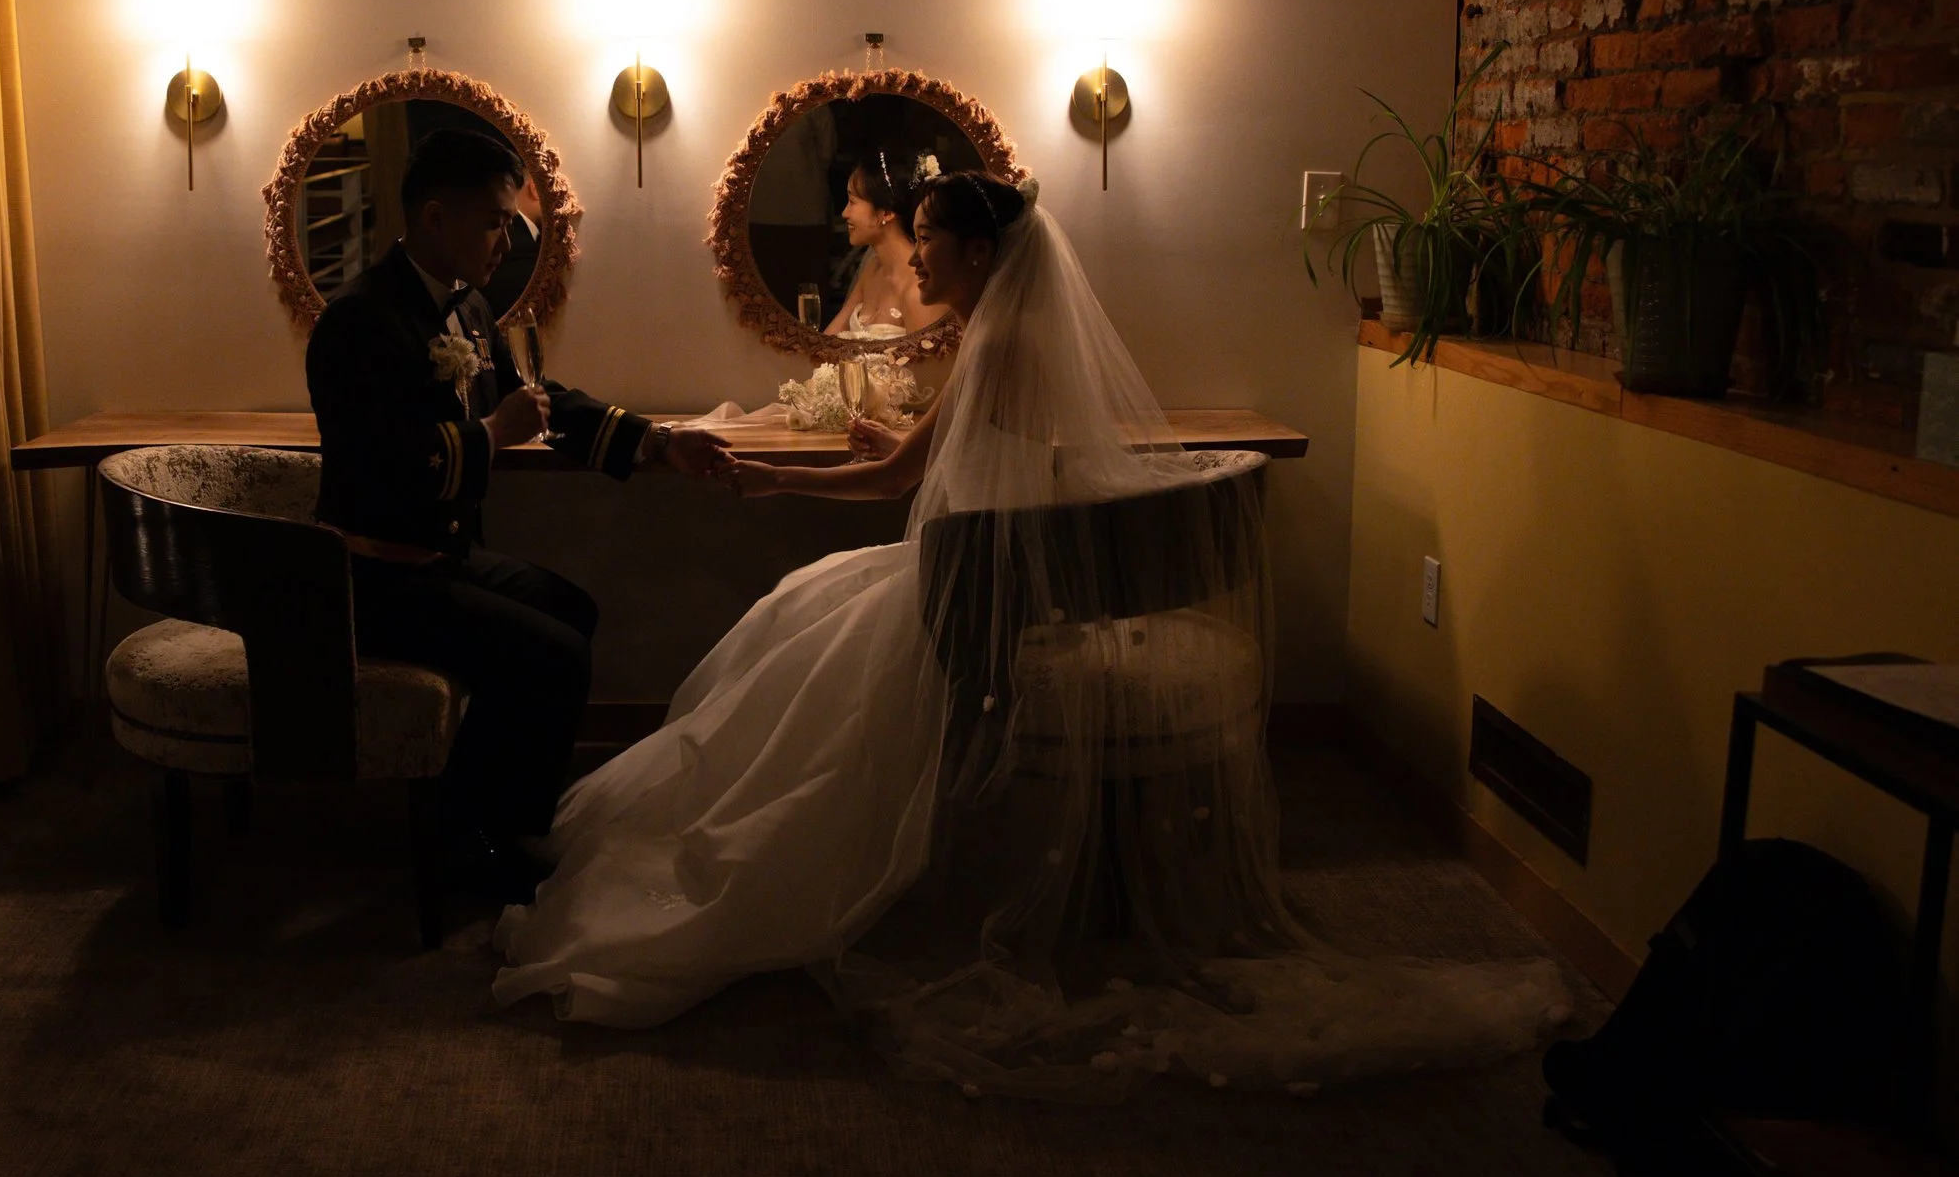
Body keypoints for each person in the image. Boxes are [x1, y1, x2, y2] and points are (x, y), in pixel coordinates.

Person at [495, 172, 1569, 1099]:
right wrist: (892, 440)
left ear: (971, 248)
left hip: (970, 598)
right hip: (981, 576)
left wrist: (760, 474)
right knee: (804, 613)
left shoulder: (993, 344)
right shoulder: (1004, 338)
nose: (910, 255)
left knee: (794, 622)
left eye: (924, 236)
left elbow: (892, 477)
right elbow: (941, 456)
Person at [306, 128, 732, 902]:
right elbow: (379, 465)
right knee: (552, 656)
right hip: (372, 574)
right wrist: (488, 434)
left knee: (572, 609)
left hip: (444, 556)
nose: (509, 238)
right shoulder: (359, 320)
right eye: (497, 220)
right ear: (436, 218)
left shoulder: (467, 309)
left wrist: (659, 444)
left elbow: (540, 399)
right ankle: (469, 839)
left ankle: (494, 813)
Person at [822, 149, 948, 339]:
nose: (845, 213)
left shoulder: (920, 288)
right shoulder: (873, 268)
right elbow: (830, 339)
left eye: (852, 202)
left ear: (886, 213)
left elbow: (927, 367)